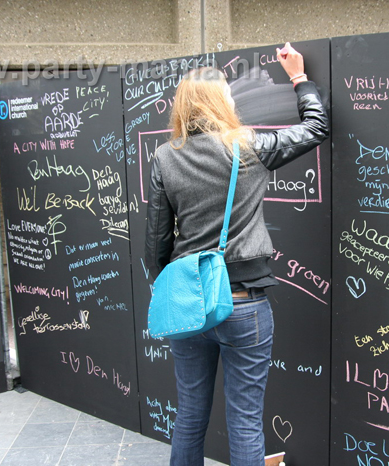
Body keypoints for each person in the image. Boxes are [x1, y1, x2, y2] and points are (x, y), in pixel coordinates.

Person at [145, 42, 329, 466]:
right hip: (243, 302)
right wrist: (299, 78)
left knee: (189, 415)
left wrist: (170, 283)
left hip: (190, 305)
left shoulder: (164, 158)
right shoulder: (247, 146)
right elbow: (316, 128)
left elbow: (155, 240)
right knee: (245, 420)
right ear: (221, 101)